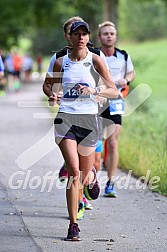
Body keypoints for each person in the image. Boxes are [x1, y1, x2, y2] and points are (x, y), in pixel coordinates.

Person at [43, 20, 119, 241]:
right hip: (65, 118)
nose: (81, 37)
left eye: (85, 34)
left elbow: (113, 91)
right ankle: (73, 225)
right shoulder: (60, 62)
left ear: (88, 37)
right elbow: (49, 84)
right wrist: (52, 94)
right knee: (73, 173)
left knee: (84, 176)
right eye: (77, 34)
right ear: (70, 37)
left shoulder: (95, 60)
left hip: (88, 119)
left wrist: (93, 89)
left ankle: (92, 178)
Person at [98, 21, 135, 197]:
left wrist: (126, 80)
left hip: (115, 102)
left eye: (111, 33)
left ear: (116, 36)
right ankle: (90, 180)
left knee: (112, 142)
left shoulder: (123, 55)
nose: (109, 36)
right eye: (105, 33)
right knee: (94, 143)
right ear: (99, 37)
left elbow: (131, 72)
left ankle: (111, 183)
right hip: (96, 102)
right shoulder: (93, 55)